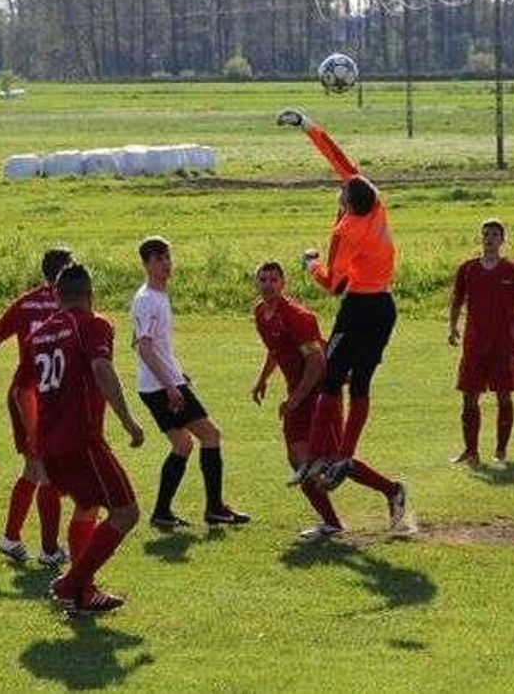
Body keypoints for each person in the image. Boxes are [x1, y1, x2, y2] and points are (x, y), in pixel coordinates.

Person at [274, 109, 405, 524]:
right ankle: (343, 457)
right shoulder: (375, 203)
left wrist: (310, 262)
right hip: (384, 309)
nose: (341, 191)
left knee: (332, 379)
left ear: (348, 202)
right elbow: (338, 159)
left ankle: (316, 458)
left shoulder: (346, 230)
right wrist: (309, 126)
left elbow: (333, 284)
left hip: (359, 308)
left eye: (343, 194)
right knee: (360, 382)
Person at [251, 261, 406, 536]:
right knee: (300, 462)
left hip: (323, 395)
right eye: (263, 279)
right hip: (297, 396)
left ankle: (393, 490)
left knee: (334, 462)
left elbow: (318, 363)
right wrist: (263, 379)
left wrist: (295, 399)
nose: (268, 284)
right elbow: (276, 349)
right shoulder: (261, 313)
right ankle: (332, 524)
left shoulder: (298, 316)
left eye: (274, 279)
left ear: (283, 284)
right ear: (256, 283)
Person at [35, 263, 144, 614]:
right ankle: (71, 584)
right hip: (81, 440)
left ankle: (85, 594)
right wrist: (128, 420)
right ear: (90, 293)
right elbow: (100, 367)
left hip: (50, 442)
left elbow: (28, 386)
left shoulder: (40, 334)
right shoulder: (93, 323)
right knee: (126, 513)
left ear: (56, 295)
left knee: (87, 508)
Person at [130, 236, 250, 529]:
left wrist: (176, 373)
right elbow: (143, 347)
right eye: (158, 259)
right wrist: (171, 384)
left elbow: (139, 342)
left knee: (183, 444)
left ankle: (162, 513)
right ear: (146, 264)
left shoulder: (155, 296)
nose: (165, 264)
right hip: (160, 387)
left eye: (167, 257)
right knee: (210, 435)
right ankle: (215, 509)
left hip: (156, 383)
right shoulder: (147, 300)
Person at [0, 248, 73, 566]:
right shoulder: (68, 303)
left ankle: (11, 538)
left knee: (35, 469)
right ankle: (50, 549)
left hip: (40, 394)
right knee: (46, 470)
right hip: (32, 395)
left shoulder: (27, 301)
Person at [448, 219, 514, 465]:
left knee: (504, 396)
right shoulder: (468, 269)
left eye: (494, 234)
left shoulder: (513, 271)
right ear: (481, 238)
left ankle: (501, 450)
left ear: (502, 240)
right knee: (468, 397)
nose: (489, 238)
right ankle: (471, 451)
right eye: (485, 234)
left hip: (503, 344)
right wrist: (452, 327)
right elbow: (457, 301)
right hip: (474, 344)